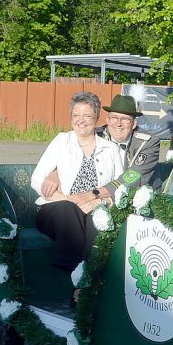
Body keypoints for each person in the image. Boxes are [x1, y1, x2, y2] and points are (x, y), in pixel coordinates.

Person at [31, 92, 124, 273]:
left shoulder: (111, 149)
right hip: (56, 209)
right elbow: (37, 179)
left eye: (87, 115)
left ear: (96, 118)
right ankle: (73, 272)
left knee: (96, 219)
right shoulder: (61, 141)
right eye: (76, 115)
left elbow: (120, 189)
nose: (81, 120)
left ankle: (86, 286)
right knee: (69, 209)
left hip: (93, 209)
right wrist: (69, 200)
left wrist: (101, 202)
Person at [40, 94, 159, 201]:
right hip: (99, 200)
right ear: (107, 120)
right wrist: (55, 173)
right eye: (114, 118)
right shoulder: (96, 135)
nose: (118, 124)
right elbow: (69, 150)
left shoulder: (148, 143)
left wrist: (94, 194)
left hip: (138, 199)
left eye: (125, 119)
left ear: (134, 124)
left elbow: (132, 177)